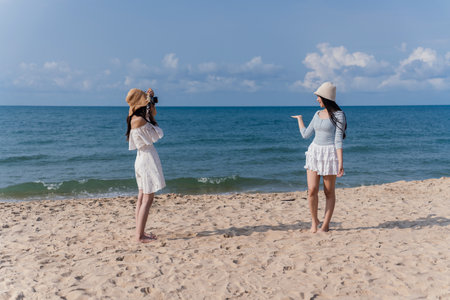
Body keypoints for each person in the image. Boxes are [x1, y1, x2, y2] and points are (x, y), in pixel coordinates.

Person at [291, 82, 347, 233]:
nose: (317, 100)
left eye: (318, 97)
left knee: (329, 192)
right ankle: (314, 221)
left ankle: (326, 224)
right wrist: (299, 119)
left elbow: (338, 140)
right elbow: (305, 135)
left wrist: (340, 163)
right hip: (314, 153)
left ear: (325, 98)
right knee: (312, 190)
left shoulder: (339, 115)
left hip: (329, 154)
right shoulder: (316, 114)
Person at [126, 88, 165, 243]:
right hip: (147, 159)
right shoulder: (141, 120)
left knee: (141, 197)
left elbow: (152, 114)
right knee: (147, 199)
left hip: (140, 159)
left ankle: (139, 231)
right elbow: (157, 133)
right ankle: (140, 236)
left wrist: (150, 99)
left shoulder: (133, 118)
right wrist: (150, 103)